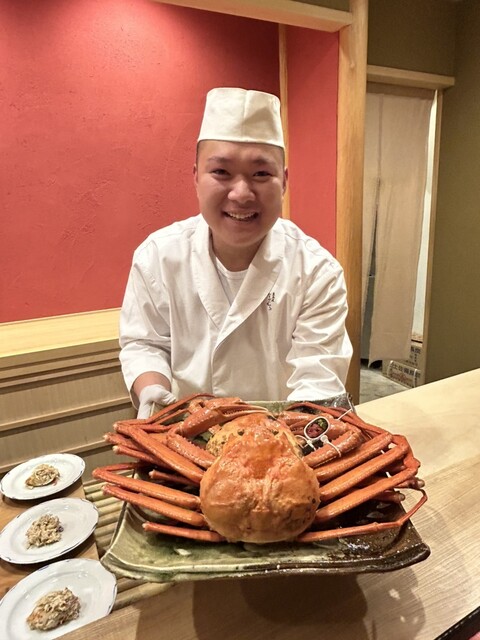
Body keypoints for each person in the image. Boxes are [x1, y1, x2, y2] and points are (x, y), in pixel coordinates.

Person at [119, 87, 352, 419]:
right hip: (185, 431)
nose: (241, 194)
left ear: (284, 182)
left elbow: (318, 381)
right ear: (196, 177)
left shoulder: (317, 272)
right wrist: (153, 392)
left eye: (261, 174)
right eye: (221, 172)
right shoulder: (157, 257)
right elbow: (145, 344)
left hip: (285, 436)